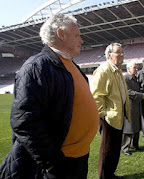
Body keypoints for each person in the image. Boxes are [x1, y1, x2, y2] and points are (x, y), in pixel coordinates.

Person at [0, 14, 99, 178]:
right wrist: (52, 161)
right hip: (59, 163)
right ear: (61, 34)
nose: (81, 40)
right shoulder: (37, 67)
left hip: (78, 158)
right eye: (77, 35)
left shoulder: (69, 64)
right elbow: (24, 121)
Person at [91, 42, 130, 179]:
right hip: (109, 119)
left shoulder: (118, 70)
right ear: (109, 55)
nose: (121, 55)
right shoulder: (103, 70)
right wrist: (106, 115)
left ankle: (110, 174)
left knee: (114, 150)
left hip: (118, 117)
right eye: (118, 52)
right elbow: (96, 97)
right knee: (106, 151)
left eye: (122, 52)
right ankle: (104, 177)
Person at [122, 61, 144, 156]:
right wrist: (141, 95)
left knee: (137, 125)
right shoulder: (125, 78)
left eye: (137, 68)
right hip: (129, 106)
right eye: (134, 68)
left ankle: (135, 145)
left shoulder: (136, 79)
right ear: (128, 68)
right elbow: (128, 92)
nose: (136, 70)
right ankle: (125, 148)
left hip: (137, 105)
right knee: (129, 127)